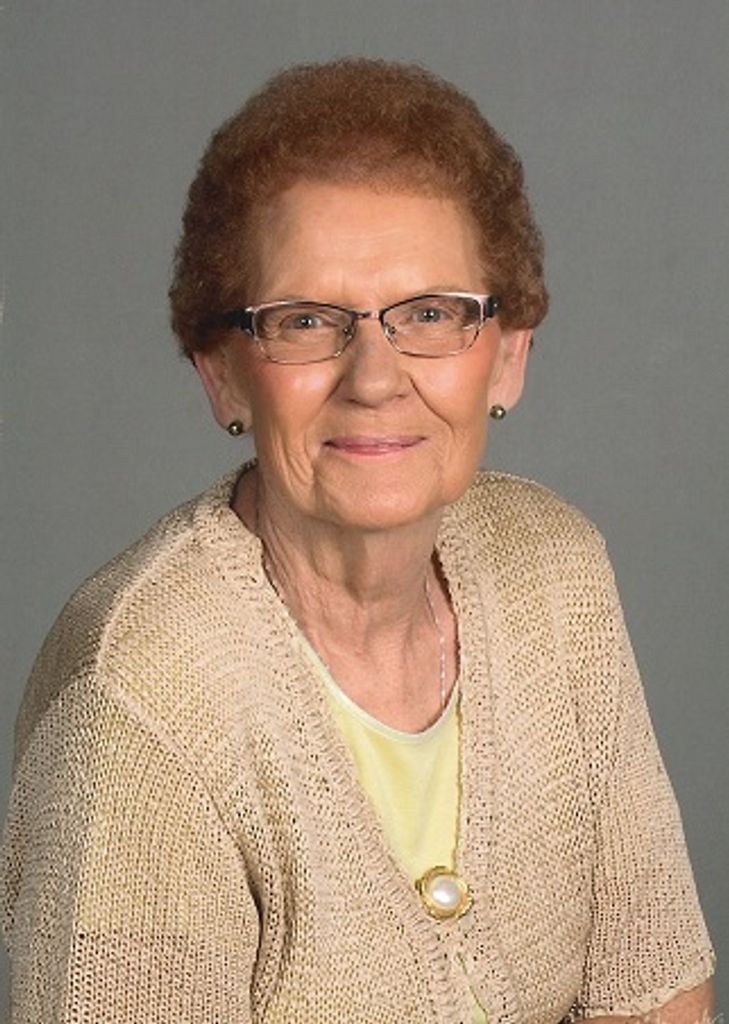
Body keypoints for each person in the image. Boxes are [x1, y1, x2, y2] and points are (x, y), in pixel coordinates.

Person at [0, 59, 715, 1024]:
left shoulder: (555, 573)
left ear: (507, 356)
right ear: (222, 372)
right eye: (306, 321)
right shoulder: (137, 697)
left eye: (430, 314)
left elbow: (656, 990)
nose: (374, 378)